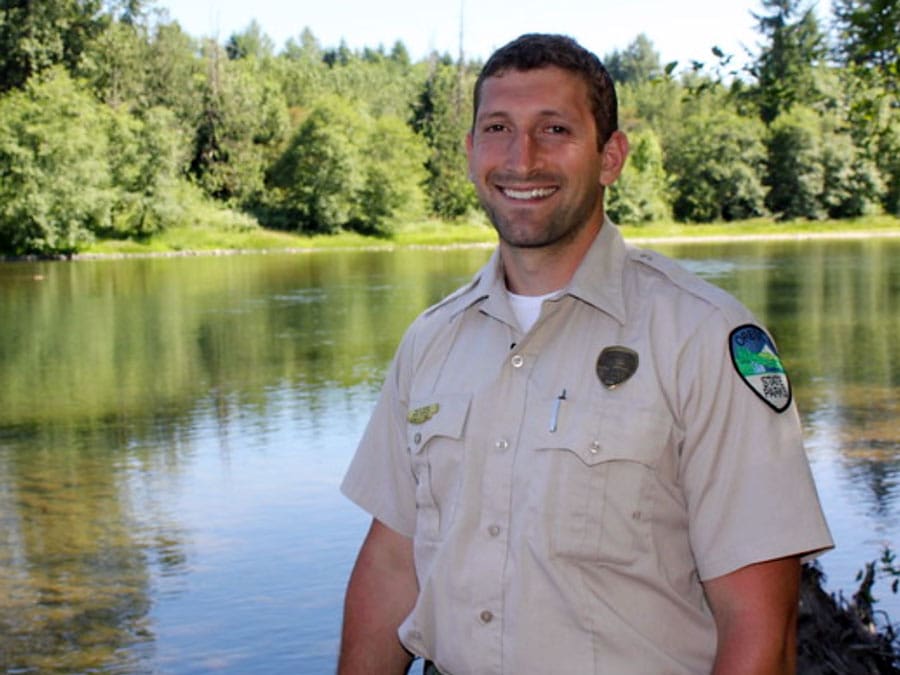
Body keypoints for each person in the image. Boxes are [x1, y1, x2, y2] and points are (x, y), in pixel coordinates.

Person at [338, 33, 833, 675]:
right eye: (497, 127)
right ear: (469, 154)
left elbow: (763, 630)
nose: (523, 157)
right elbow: (390, 566)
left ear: (610, 156)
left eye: (555, 129)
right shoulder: (431, 341)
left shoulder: (705, 339)